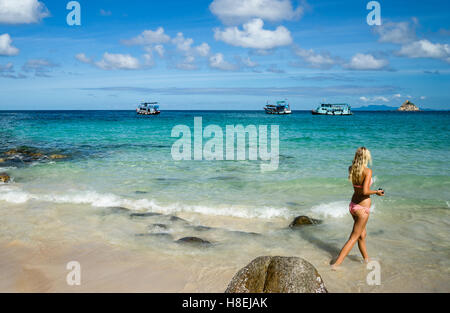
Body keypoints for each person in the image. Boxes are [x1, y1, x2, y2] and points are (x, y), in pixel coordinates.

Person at [331, 147, 384, 270]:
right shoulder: (367, 171)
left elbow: (359, 189)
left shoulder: (351, 169)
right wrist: (377, 192)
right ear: (366, 157)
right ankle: (336, 264)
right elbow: (365, 191)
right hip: (362, 209)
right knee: (354, 237)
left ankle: (366, 259)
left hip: (353, 205)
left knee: (361, 235)